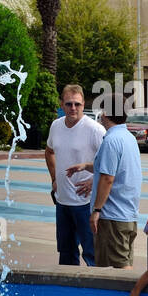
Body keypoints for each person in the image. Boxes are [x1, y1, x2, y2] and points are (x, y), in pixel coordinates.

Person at [68, 105, 142, 268]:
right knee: (123, 263)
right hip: (127, 214)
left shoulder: (111, 140)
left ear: (107, 113)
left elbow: (108, 178)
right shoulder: (128, 137)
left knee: (117, 269)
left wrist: (96, 210)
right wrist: (85, 166)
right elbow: (111, 167)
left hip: (112, 217)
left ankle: (132, 293)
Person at [45, 85, 105, 265]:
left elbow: (111, 164)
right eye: (69, 104)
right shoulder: (56, 126)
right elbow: (49, 152)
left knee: (91, 254)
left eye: (77, 104)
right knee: (66, 253)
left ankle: (95, 291)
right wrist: (54, 178)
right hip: (62, 203)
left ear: (83, 104)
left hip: (85, 204)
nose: (73, 108)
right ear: (61, 104)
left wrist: (94, 182)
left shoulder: (95, 130)